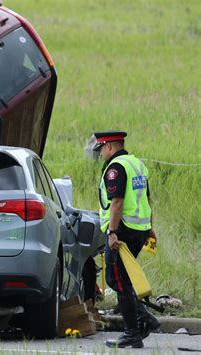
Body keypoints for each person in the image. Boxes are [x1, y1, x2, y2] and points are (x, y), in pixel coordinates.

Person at [93, 131, 160, 348]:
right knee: (119, 278)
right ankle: (143, 321)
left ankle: (134, 331)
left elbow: (118, 202)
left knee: (119, 280)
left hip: (122, 231)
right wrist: (150, 227)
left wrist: (112, 232)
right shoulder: (137, 164)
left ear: (110, 146)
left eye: (101, 149)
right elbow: (146, 198)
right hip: (139, 230)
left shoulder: (116, 168)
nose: (101, 153)